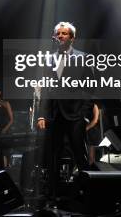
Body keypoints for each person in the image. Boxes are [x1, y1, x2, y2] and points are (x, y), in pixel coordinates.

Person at [36, 22, 93, 197]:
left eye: (64, 33)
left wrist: (84, 113)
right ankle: (54, 195)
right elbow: (45, 89)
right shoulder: (49, 59)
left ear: (72, 38)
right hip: (54, 115)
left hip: (76, 114)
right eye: (57, 33)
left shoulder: (82, 58)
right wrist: (42, 116)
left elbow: (90, 89)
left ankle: (87, 193)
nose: (60, 36)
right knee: (54, 155)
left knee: (80, 154)